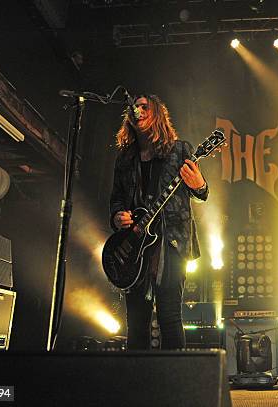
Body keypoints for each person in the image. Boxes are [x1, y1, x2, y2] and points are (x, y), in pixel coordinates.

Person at [109, 94, 208, 350]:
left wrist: (200, 185)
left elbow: (202, 193)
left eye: (144, 107)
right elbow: (116, 198)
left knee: (169, 316)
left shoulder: (179, 150)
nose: (138, 110)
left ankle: (175, 383)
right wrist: (118, 215)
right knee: (136, 321)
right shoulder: (125, 159)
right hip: (134, 242)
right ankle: (139, 384)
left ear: (157, 114)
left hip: (171, 241)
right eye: (135, 108)